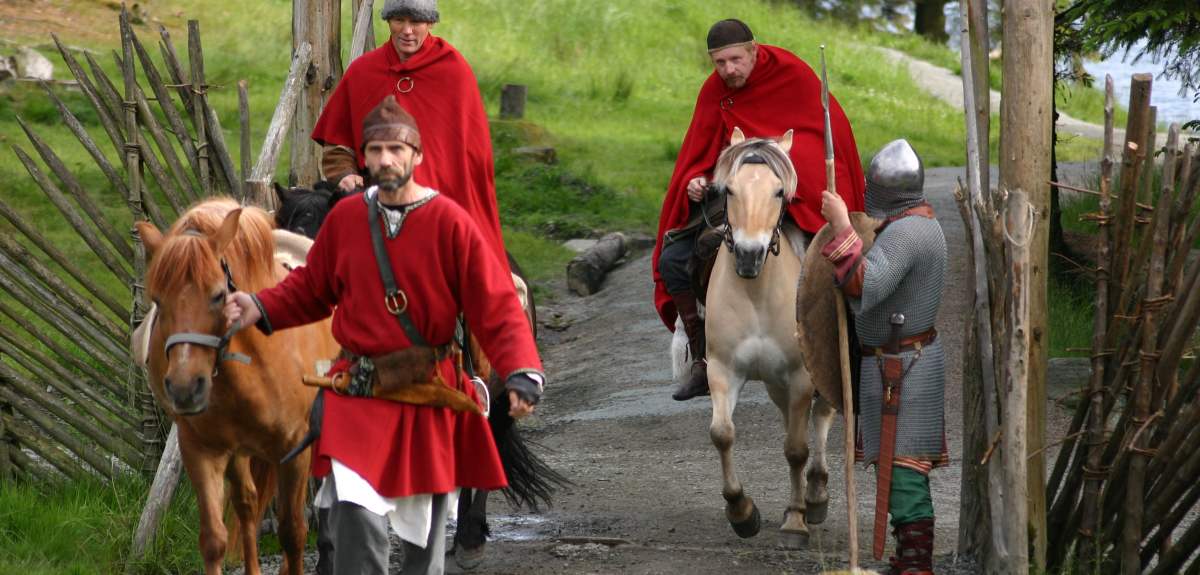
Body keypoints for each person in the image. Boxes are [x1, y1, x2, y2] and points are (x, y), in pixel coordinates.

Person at [225, 95, 544, 575]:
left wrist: (521, 371)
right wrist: (258, 305)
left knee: (424, 552)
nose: (385, 159)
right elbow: (312, 289)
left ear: (416, 156)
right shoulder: (347, 220)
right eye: (374, 150)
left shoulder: (450, 223)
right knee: (356, 523)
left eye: (396, 149)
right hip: (359, 394)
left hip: (429, 396)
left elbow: (494, 304)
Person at [652, 18, 866, 401]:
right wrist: (699, 180)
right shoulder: (713, 91)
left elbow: (815, 141)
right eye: (719, 63)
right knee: (674, 258)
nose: (728, 70)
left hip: (792, 191)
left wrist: (781, 176)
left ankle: (843, 351)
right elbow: (701, 151)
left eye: (735, 60)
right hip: (734, 191)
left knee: (835, 263)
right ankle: (703, 357)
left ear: (753, 50)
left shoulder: (793, 75)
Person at [819, 139, 946, 575]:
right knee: (895, 468)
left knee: (905, 468)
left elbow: (865, 285)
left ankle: (916, 565)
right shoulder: (912, 224)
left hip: (903, 368)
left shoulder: (910, 232)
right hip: (897, 363)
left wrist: (840, 227)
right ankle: (908, 559)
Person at [311, 0, 508, 268]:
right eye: (399, 20)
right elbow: (337, 144)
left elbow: (472, 158)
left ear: (430, 23)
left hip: (444, 207)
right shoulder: (363, 72)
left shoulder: (453, 72)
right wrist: (346, 175)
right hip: (375, 203)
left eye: (416, 21)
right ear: (388, 22)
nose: (407, 30)